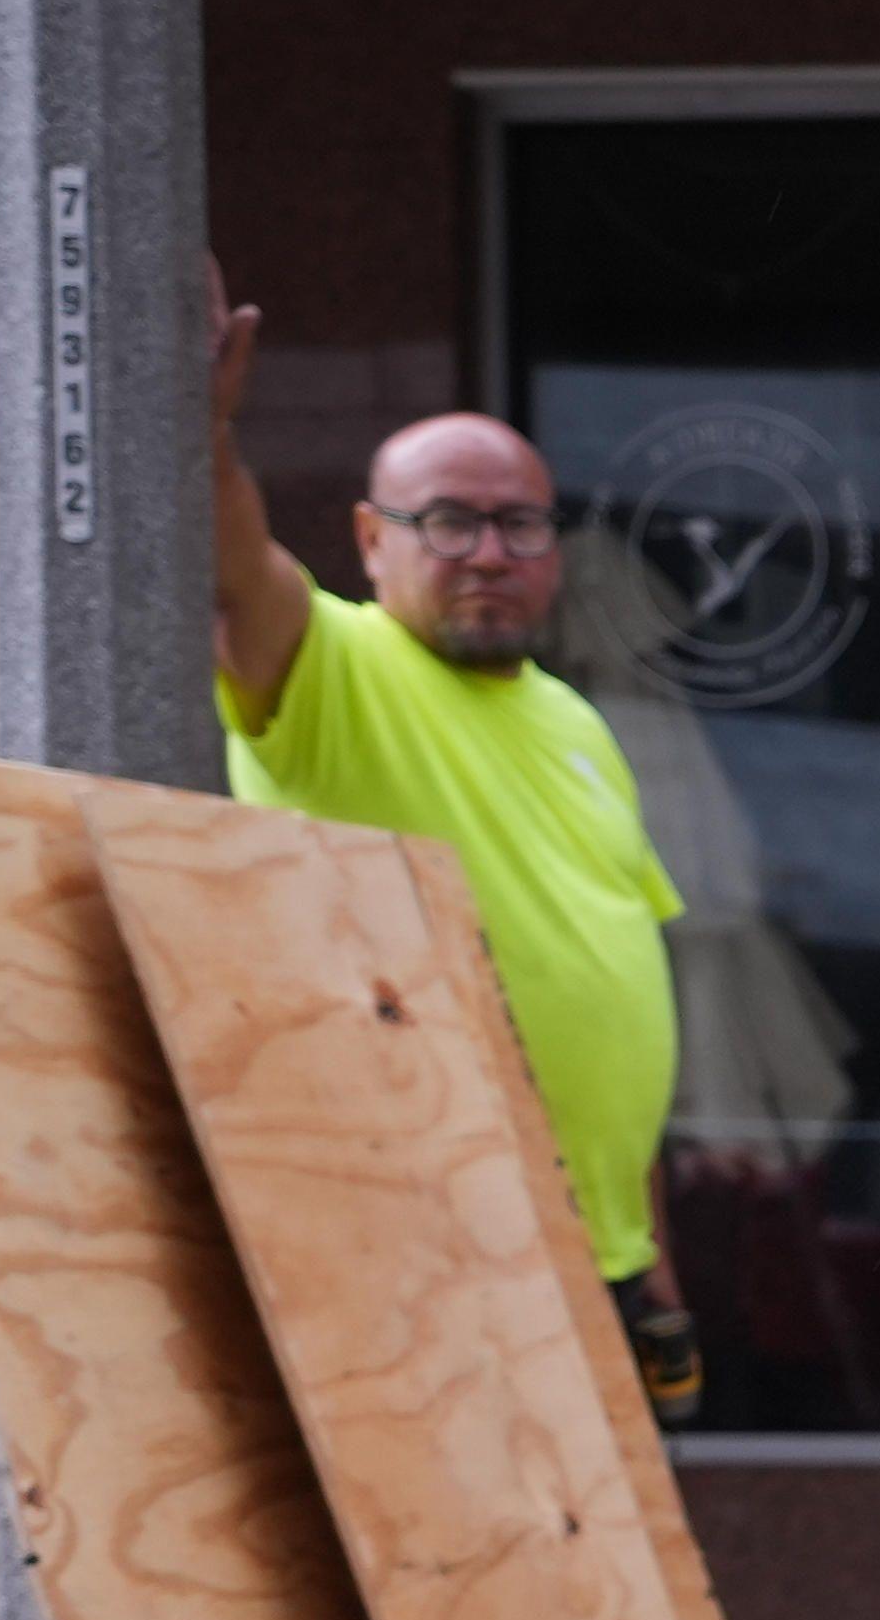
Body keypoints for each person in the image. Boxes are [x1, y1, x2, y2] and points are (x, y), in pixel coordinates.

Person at [203, 277, 697, 1418]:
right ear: (372, 540)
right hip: (431, 1258)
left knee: (602, 1601)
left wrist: (653, 1268)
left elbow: (617, 1005)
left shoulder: (576, 723)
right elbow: (234, 575)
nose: (488, 551)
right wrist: (205, 432)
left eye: (520, 523)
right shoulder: (332, 669)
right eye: (449, 522)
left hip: (599, 1264)